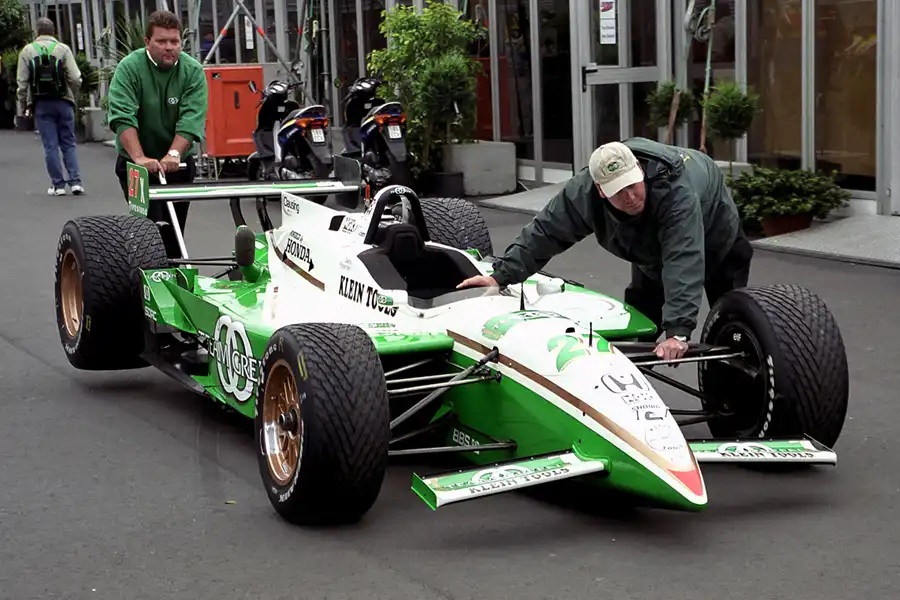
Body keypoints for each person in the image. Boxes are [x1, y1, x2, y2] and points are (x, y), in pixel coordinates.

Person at [458, 137, 753, 361]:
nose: (630, 196)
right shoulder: (583, 193)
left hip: (718, 239)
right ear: (600, 190)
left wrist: (678, 332)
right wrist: (500, 275)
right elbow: (545, 232)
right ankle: (628, 389)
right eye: (618, 191)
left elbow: (683, 258)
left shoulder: (676, 191)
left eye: (633, 185)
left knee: (730, 320)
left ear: (640, 170)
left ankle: (729, 391)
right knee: (642, 317)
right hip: (649, 249)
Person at [106, 9, 208, 259]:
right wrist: (139, 158)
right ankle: (145, 271)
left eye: (174, 41)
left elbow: (191, 119)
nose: (169, 47)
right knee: (147, 229)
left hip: (178, 163)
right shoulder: (130, 68)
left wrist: (174, 153)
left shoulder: (192, 71)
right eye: (161, 41)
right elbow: (122, 116)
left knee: (174, 231)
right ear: (147, 42)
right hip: (136, 165)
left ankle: (174, 269)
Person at [16, 17, 84, 196]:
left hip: (41, 104)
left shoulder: (27, 51)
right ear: (54, 31)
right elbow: (75, 78)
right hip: (64, 101)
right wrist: (72, 94)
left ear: (37, 32)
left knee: (50, 145)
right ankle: (75, 182)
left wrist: (24, 104)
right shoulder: (63, 49)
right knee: (68, 143)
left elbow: (22, 84)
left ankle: (58, 185)